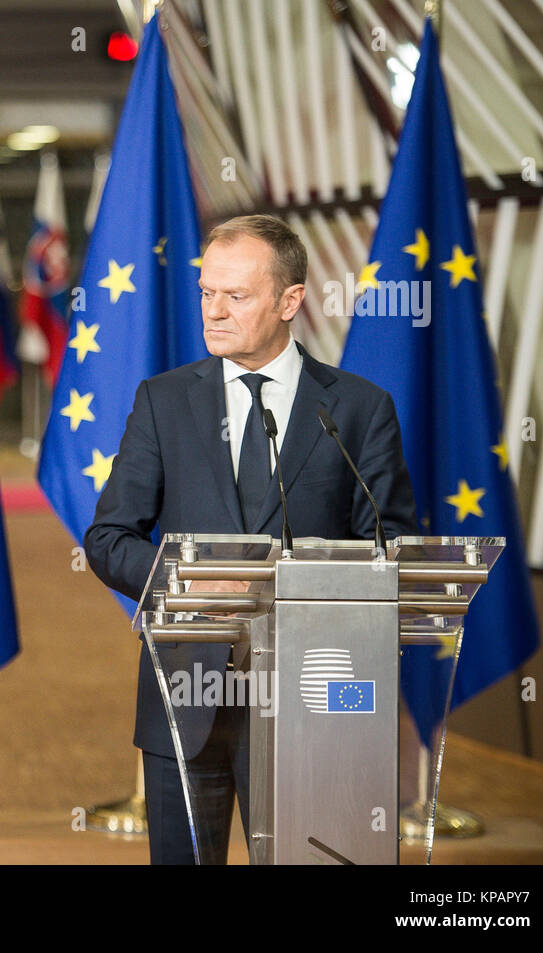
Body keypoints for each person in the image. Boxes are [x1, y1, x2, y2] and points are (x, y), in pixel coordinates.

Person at [84, 214, 418, 864]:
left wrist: (295, 589)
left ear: (290, 299)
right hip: (189, 698)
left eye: (235, 296)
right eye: (207, 292)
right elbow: (108, 537)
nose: (214, 310)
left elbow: (392, 551)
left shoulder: (356, 408)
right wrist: (185, 580)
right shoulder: (164, 400)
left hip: (315, 700)